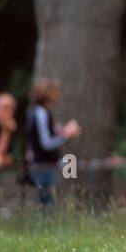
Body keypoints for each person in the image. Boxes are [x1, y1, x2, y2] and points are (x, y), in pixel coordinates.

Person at [25, 79, 81, 208]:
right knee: (45, 203)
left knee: (45, 200)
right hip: (43, 163)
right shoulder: (41, 113)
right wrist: (66, 135)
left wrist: (59, 131)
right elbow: (46, 143)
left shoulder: (37, 111)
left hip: (44, 163)